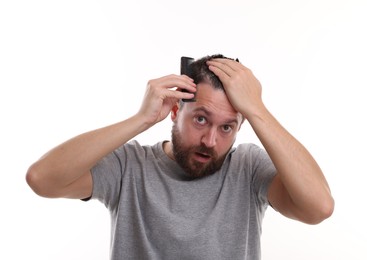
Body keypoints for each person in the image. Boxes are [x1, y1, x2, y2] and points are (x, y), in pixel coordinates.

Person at [26, 54, 334, 260]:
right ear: (175, 110)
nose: (210, 141)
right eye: (201, 119)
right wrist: (140, 119)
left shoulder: (248, 169)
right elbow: (42, 179)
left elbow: (318, 207)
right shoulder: (129, 167)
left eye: (227, 126)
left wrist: (257, 109)